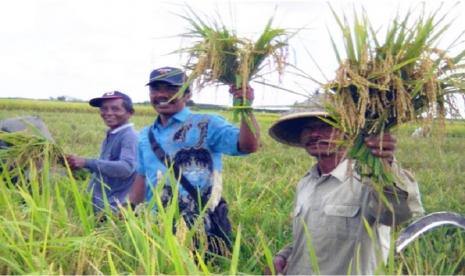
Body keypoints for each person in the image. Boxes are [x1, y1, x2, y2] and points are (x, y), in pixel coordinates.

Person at [266, 96, 424, 275]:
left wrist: (386, 164)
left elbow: (398, 215)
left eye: (325, 126)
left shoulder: (368, 180)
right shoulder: (306, 182)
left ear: (351, 133)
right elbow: (311, 235)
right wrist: (283, 256)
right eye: (308, 128)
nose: (314, 134)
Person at [127, 66, 260, 254]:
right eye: (156, 89)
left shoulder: (207, 123)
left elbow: (248, 145)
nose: (162, 94)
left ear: (188, 94)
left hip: (203, 230)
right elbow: (142, 177)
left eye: (172, 89)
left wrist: (245, 106)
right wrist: (128, 210)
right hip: (156, 229)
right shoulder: (145, 135)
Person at [66, 91, 138, 212]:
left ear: (129, 113)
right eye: (104, 109)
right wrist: (77, 165)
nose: (108, 113)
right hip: (101, 206)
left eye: (115, 109)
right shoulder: (113, 133)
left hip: (113, 210)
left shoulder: (129, 136)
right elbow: (105, 167)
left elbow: (126, 168)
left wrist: (86, 163)